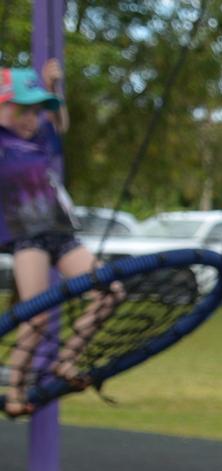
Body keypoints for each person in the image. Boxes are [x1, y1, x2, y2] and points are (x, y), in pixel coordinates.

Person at [0, 60, 121, 416]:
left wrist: (53, 90)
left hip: (60, 233)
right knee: (36, 317)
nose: (30, 119)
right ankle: (17, 392)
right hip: (27, 238)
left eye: (34, 112)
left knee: (111, 292)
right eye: (21, 110)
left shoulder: (41, 140)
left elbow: (60, 121)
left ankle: (65, 361)